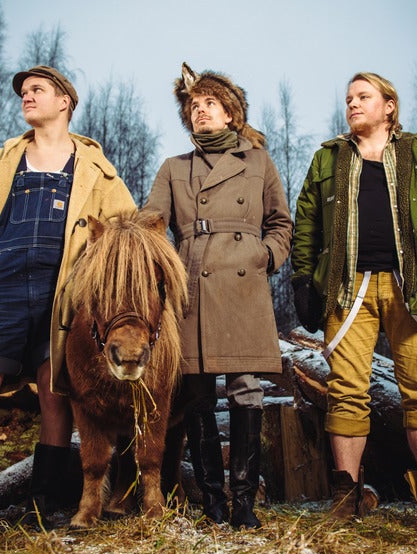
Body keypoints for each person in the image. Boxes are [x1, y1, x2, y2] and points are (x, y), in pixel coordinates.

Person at [0, 66, 136, 543]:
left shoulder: (100, 173)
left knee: (55, 393)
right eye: (23, 92)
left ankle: (44, 506)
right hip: (2, 288)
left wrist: (94, 288)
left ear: (65, 102)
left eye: (37, 90)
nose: (26, 97)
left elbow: (127, 237)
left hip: (66, 296)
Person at [291, 72, 417, 530]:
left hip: (412, 287)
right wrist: (302, 281)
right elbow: (306, 222)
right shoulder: (327, 158)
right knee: (346, 391)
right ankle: (345, 498)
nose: (352, 104)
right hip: (346, 288)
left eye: (363, 96)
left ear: (389, 106)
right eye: (348, 97)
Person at [143, 63, 293, 529]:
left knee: (247, 387)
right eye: (193, 106)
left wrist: (265, 256)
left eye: (210, 103)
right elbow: (151, 224)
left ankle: (244, 502)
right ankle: (212, 501)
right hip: (192, 281)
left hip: (245, 279)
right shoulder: (174, 168)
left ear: (231, 113)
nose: (199, 110)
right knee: (197, 390)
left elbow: (282, 224)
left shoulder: (259, 163)